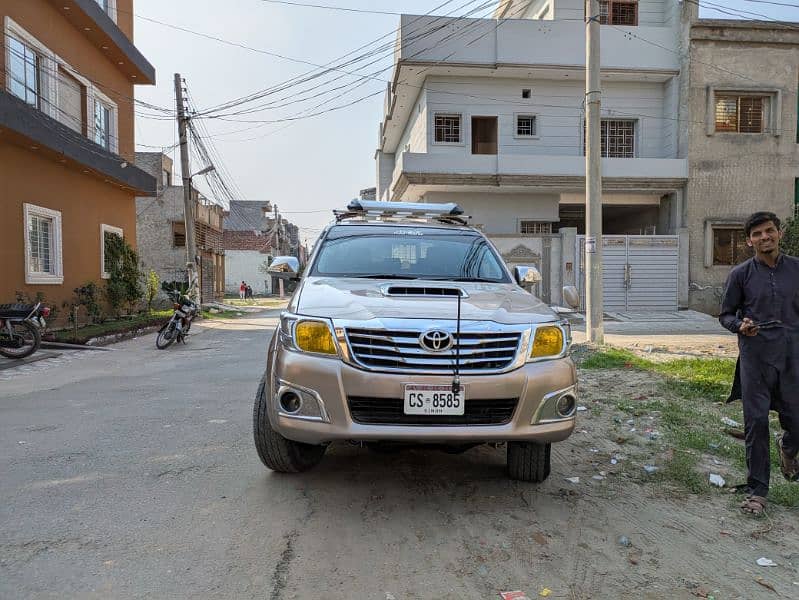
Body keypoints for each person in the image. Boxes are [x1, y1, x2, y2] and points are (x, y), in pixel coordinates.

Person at [719, 211, 799, 516]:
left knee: (797, 420)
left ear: (779, 233)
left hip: (793, 357)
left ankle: (789, 448)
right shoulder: (740, 274)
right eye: (757, 234)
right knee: (756, 422)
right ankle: (757, 491)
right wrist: (740, 326)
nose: (764, 237)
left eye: (769, 231)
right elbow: (726, 314)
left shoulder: (796, 269)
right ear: (749, 240)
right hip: (756, 357)